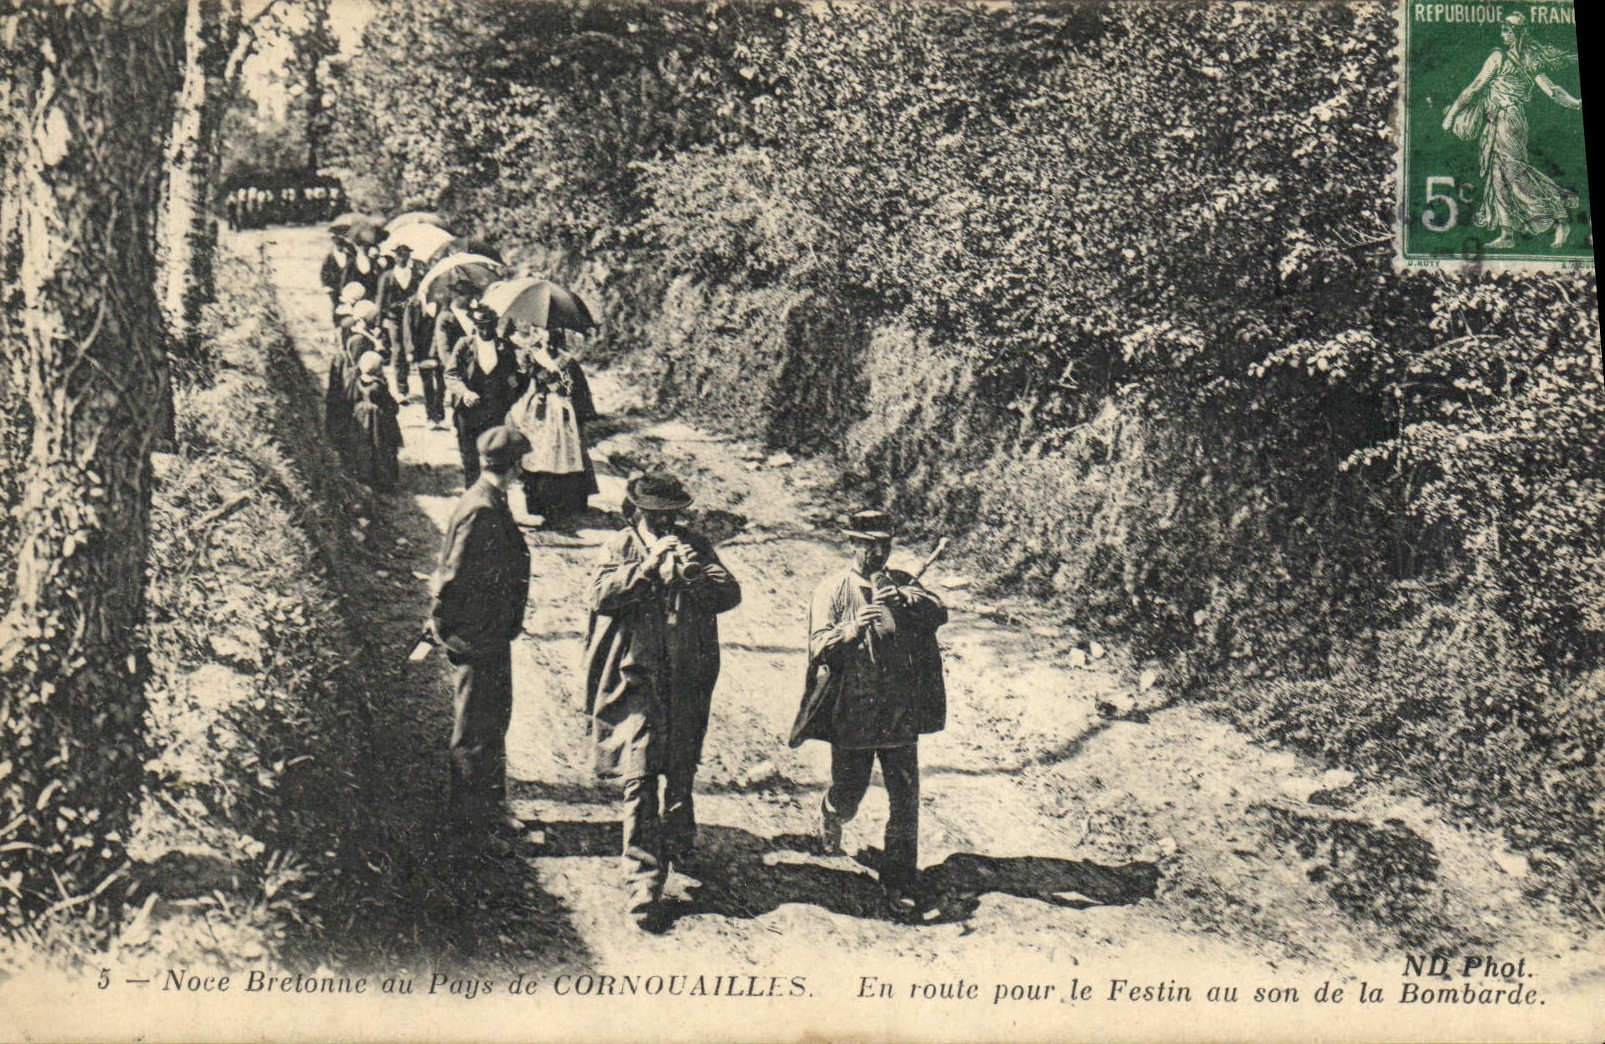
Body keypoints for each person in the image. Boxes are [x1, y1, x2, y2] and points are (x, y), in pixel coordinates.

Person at [581, 472, 742, 927]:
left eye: (673, 516)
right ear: (636, 513)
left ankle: (679, 836)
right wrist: (648, 568)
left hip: (687, 672)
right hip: (638, 674)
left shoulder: (696, 543)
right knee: (642, 771)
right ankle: (644, 880)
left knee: (682, 761)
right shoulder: (620, 547)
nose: (667, 524)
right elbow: (598, 596)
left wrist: (694, 574)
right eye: (656, 517)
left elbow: (729, 594)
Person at [789, 509, 948, 916]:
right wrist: (852, 627)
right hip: (854, 710)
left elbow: (938, 612)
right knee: (850, 791)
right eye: (869, 544)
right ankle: (831, 811)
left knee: (905, 796)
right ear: (853, 544)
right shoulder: (834, 590)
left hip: (898, 710)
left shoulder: (901, 583)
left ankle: (899, 881)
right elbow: (817, 648)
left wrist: (910, 600)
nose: (878, 552)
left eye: (884, 544)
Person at [429, 425, 533, 833]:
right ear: (513, 465)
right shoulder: (481, 508)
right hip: (476, 634)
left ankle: (490, 808)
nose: (524, 471)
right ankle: (470, 824)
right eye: (521, 463)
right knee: (474, 729)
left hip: (488, 631)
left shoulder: (489, 498)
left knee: (491, 721)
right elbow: (453, 575)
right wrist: (444, 624)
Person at [1442, 11, 1582, 249]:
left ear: (1518, 34)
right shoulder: (1512, 58)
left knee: (1514, 175)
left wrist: (1576, 103)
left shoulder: (1511, 59)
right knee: (1498, 177)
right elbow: (1475, 88)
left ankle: (1559, 219)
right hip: (1495, 122)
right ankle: (1507, 234)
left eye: (1508, 31)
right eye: (1503, 30)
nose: (1503, 34)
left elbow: (1552, 90)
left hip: (1509, 121)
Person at [510, 326, 598, 525]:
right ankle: (536, 503)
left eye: (553, 342)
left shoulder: (567, 361)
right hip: (539, 411)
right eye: (546, 341)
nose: (549, 345)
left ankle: (562, 504)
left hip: (561, 411)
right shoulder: (532, 357)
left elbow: (577, 388)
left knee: (562, 455)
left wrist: (568, 392)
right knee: (537, 454)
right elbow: (521, 384)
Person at [444, 304, 526, 488]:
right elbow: (451, 374)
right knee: (470, 456)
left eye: (488, 325)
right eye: (480, 325)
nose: (484, 329)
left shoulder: (504, 346)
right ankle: (473, 495)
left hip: (494, 410)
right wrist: (464, 392)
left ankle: (496, 496)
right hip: (468, 411)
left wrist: (513, 384)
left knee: (495, 456)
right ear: (474, 324)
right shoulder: (465, 344)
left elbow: (516, 375)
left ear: (495, 324)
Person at [348, 350, 403, 492]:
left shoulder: (355, 381)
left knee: (364, 446)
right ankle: (384, 481)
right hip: (379, 420)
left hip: (361, 417)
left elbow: (351, 398)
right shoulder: (379, 385)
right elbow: (390, 404)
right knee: (382, 447)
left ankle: (365, 477)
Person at [376, 243, 421, 401]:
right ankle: (401, 388)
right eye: (399, 254)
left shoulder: (415, 275)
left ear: (409, 256)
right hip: (394, 317)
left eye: (405, 254)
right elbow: (381, 301)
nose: (402, 258)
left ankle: (406, 381)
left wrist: (413, 302)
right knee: (398, 350)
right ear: (395, 256)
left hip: (411, 318)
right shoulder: (388, 276)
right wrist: (378, 323)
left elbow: (419, 294)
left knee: (411, 348)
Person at [405, 296, 447, 430]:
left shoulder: (444, 303)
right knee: (427, 384)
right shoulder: (413, 303)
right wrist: (410, 351)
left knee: (442, 383)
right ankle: (431, 416)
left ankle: (440, 414)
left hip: (440, 348)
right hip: (421, 349)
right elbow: (407, 328)